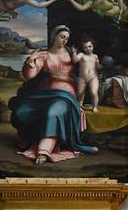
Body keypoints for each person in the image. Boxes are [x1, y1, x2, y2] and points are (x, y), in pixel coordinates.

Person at [10, 26, 98, 164]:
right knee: (22, 110)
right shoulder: (44, 55)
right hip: (44, 94)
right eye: (62, 37)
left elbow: (87, 67)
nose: (64, 40)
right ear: (54, 37)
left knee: (53, 112)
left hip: (65, 95)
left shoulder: (71, 54)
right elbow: (29, 75)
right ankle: (29, 140)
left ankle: (44, 151)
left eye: (67, 38)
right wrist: (30, 61)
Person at [73, 39, 101, 111]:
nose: (88, 49)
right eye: (85, 47)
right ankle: (79, 105)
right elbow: (75, 60)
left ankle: (94, 107)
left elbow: (98, 67)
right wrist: (74, 52)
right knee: (80, 93)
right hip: (82, 78)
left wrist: (104, 66)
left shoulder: (95, 56)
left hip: (93, 78)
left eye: (90, 46)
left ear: (93, 46)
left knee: (94, 92)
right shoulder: (81, 55)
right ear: (83, 48)